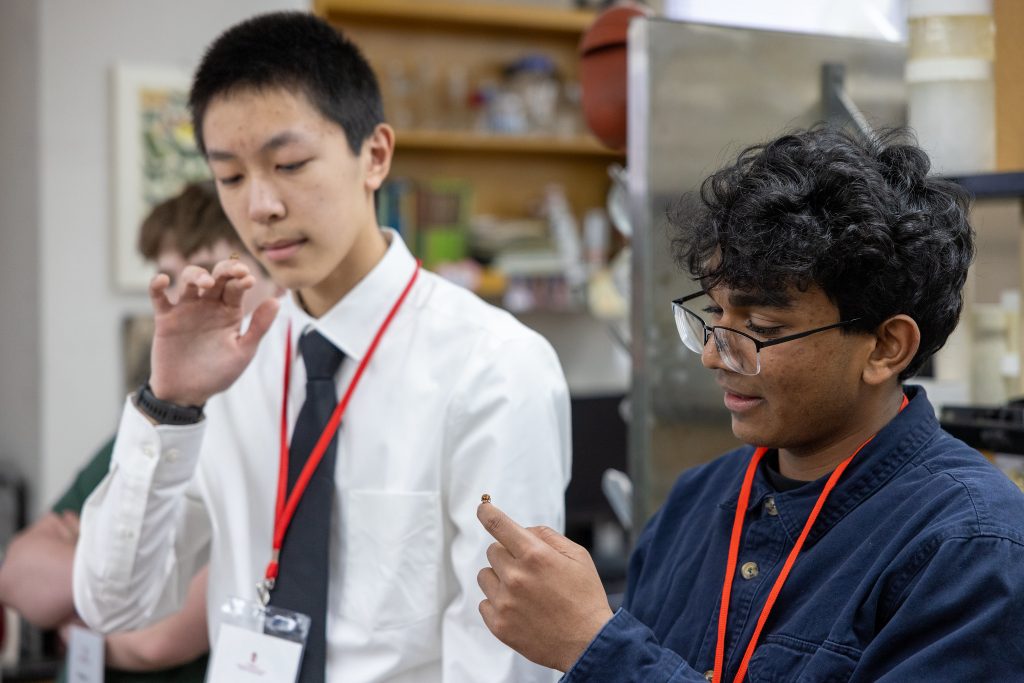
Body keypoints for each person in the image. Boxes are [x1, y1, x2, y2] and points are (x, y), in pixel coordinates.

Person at [73, 11, 570, 683]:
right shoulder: (232, 364)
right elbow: (115, 601)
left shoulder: (493, 368)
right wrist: (171, 404)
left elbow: (505, 661)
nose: (261, 206)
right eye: (231, 176)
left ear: (375, 155)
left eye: (290, 164)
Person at [476, 126, 1024, 681]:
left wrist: (595, 646)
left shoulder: (969, 548)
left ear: (885, 347)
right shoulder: (697, 502)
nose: (715, 356)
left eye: (761, 327)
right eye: (714, 317)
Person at [0, 181, 280, 682]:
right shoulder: (159, 418)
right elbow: (19, 574)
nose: (185, 299)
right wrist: (100, 597)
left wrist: (80, 598)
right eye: (169, 279)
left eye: (217, 280)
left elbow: (156, 642)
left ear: (275, 286)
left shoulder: (268, 440)